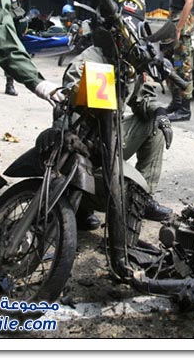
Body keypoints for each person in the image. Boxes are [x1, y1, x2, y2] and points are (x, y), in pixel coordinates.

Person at [48, 44, 174, 229]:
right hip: (84, 141)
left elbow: (142, 97)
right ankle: (78, 200)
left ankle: (142, 199)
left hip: (110, 138)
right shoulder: (93, 58)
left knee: (154, 124)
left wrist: (159, 112)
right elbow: (69, 97)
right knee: (87, 176)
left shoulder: (126, 64)